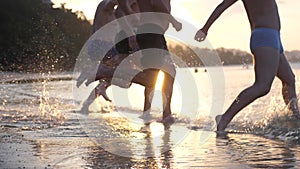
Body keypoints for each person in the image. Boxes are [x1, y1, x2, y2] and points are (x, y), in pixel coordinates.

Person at [194, 0, 300, 133]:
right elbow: (222, 6)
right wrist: (205, 28)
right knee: (262, 86)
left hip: (274, 38)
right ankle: (224, 118)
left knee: (289, 79)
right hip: (264, 37)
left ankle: (295, 118)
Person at [117, 0, 182, 123]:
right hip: (152, 32)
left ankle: (153, 113)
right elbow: (156, 3)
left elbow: (122, 6)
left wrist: (131, 14)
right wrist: (173, 21)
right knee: (156, 77)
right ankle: (106, 71)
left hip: (152, 32)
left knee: (159, 74)